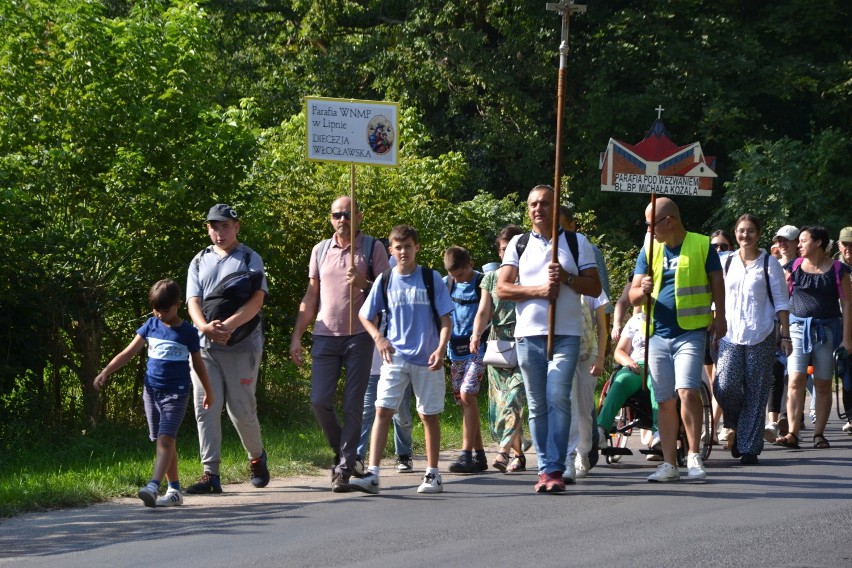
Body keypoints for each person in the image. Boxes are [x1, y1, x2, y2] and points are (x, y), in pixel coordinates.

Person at [497, 185, 601, 493]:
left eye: (544, 203)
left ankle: (556, 466)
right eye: (532, 204)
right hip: (528, 335)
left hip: (566, 334)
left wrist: (567, 279)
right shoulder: (519, 243)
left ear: (555, 208)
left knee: (558, 396)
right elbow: (502, 288)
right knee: (537, 404)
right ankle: (545, 468)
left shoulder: (575, 242)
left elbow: (594, 288)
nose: (538, 208)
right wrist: (539, 290)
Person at [289, 196, 390, 492]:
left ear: (359, 215)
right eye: (337, 214)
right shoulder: (320, 250)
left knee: (353, 403)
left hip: (359, 334)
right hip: (324, 334)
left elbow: (389, 290)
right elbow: (310, 296)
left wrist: (365, 284)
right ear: (330, 218)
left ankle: (344, 468)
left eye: (348, 214)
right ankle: (345, 452)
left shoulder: (373, 247)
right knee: (319, 401)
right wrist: (297, 335)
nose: (343, 219)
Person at [351, 225, 454, 495]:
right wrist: (378, 338)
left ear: (417, 247)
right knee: (382, 410)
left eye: (408, 246)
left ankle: (433, 474)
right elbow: (365, 314)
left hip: (427, 358)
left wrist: (441, 349)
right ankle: (372, 474)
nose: (403, 251)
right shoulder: (385, 280)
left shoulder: (432, 279)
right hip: (395, 358)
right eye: (398, 247)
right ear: (391, 250)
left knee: (427, 415)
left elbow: (446, 320)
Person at [629, 197, 725, 482]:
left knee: (687, 391)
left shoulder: (701, 244)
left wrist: (720, 315)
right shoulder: (648, 250)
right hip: (656, 334)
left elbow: (716, 282)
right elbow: (632, 295)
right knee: (665, 400)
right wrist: (641, 290)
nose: (648, 230)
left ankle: (693, 456)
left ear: (668, 221)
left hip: (691, 333)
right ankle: (669, 464)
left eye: (651, 224)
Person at [94, 280, 213, 507]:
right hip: (151, 392)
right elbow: (127, 353)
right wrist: (106, 371)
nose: (159, 314)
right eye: (155, 309)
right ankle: (175, 490)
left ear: (178, 305)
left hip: (176, 394)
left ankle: (153, 485)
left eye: (164, 310)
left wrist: (209, 391)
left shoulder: (188, 332)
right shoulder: (150, 325)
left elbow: (198, 365)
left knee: (166, 440)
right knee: (163, 442)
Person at [185, 204, 270, 494]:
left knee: (240, 410)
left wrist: (229, 326)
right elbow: (193, 301)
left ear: (236, 227)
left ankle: (257, 457)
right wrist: (204, 328)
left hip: (241, 345)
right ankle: (211, 474)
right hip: (205, 347)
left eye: (224, 226)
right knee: (206, 407)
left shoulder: (249, 258)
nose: (218, 232)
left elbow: (257, 300)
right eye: (213, 226)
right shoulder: (199, 260)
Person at [713, 215, 791, 464]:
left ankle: (748, 447)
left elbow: (781, 302)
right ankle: (735, 421)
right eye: (741, 231)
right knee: (725, 385)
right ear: (735, 233)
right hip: (730, 333)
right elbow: (715, 296)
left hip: (762, 332)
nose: (745, 235)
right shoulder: (726, 261)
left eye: (750, 231)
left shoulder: (770, 264)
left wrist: (785, 335)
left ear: (758, 234)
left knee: (757, 392)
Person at [775, 225, 852, 449]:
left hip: (827, 330)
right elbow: (783, 302)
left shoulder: (838, 270)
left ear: (818, 243)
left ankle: (819, 434)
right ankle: (792, 432)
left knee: (822, 383)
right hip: (798, 328)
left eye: (803, 241)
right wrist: (784, 333)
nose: (798, 245)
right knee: (796, 380)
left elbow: (847, 304)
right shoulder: (794, 267)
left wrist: (847, 339)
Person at [470, 225, 529, 473]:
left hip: (525, 343)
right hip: (498, 345)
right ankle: (519, 455)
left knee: (514, 399)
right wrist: (476, 333)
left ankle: (503, 452)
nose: (506, 253)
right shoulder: (491, 278)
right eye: (503, 249)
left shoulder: (530, 276)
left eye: (512, 249)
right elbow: (484, 310)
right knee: (499, 409)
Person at [443, 246, 489, 473]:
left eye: (460, 274)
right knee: (464, 402)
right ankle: (480, 455)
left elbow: (486, 312)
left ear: (470, 263)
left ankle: (466, 454)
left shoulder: (482, 283)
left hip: (479, 348)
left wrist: (477, 335)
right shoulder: (447, 283)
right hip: (455, 349)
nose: (457, 279)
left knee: (467, 393)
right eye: (453, 275)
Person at [597, 307, 660, 459]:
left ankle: (659, 432)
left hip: (659, 365)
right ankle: (601, 429)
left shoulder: (669, 317)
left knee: (658, 384)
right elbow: (619, 351)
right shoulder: (636, 320)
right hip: (637, 366)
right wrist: (628, 361)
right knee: (620, 380)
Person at [765, 224, 801, 441]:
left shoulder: (801, 266)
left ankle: (789, 417)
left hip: (794, 323)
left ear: (797, 243)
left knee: (793, 374)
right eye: (779, 240)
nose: (782, 244)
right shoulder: (772, 265)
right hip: (773, 322)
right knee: (775, 371)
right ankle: (772, 421)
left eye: (787, 240)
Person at [568, 290, 609, 478]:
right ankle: (570, 455)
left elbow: (602, 327)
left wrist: (600, 358)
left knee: (584, 407)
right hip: (565, 352)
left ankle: (583, 453)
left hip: (588, 354)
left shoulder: (594, 289)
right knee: (569, 405)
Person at [835, 227, 852, 433]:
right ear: (839, 245)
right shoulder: (834, 267)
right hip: (839, 326)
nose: (849, 248)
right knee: (845, 372)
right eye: (845, 244)